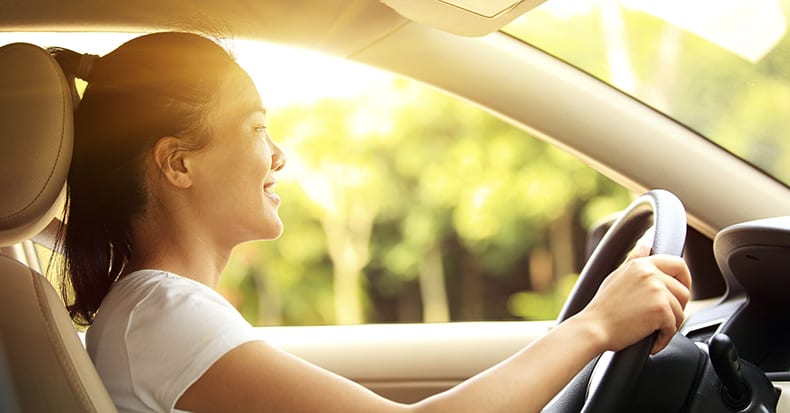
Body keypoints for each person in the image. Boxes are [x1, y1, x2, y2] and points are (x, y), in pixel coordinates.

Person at [51, 31, 691, 413]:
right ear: (178, 162)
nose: (278, 155)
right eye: (256, 128)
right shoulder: (161, 316)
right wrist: (593, 327)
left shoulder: (152, 312)